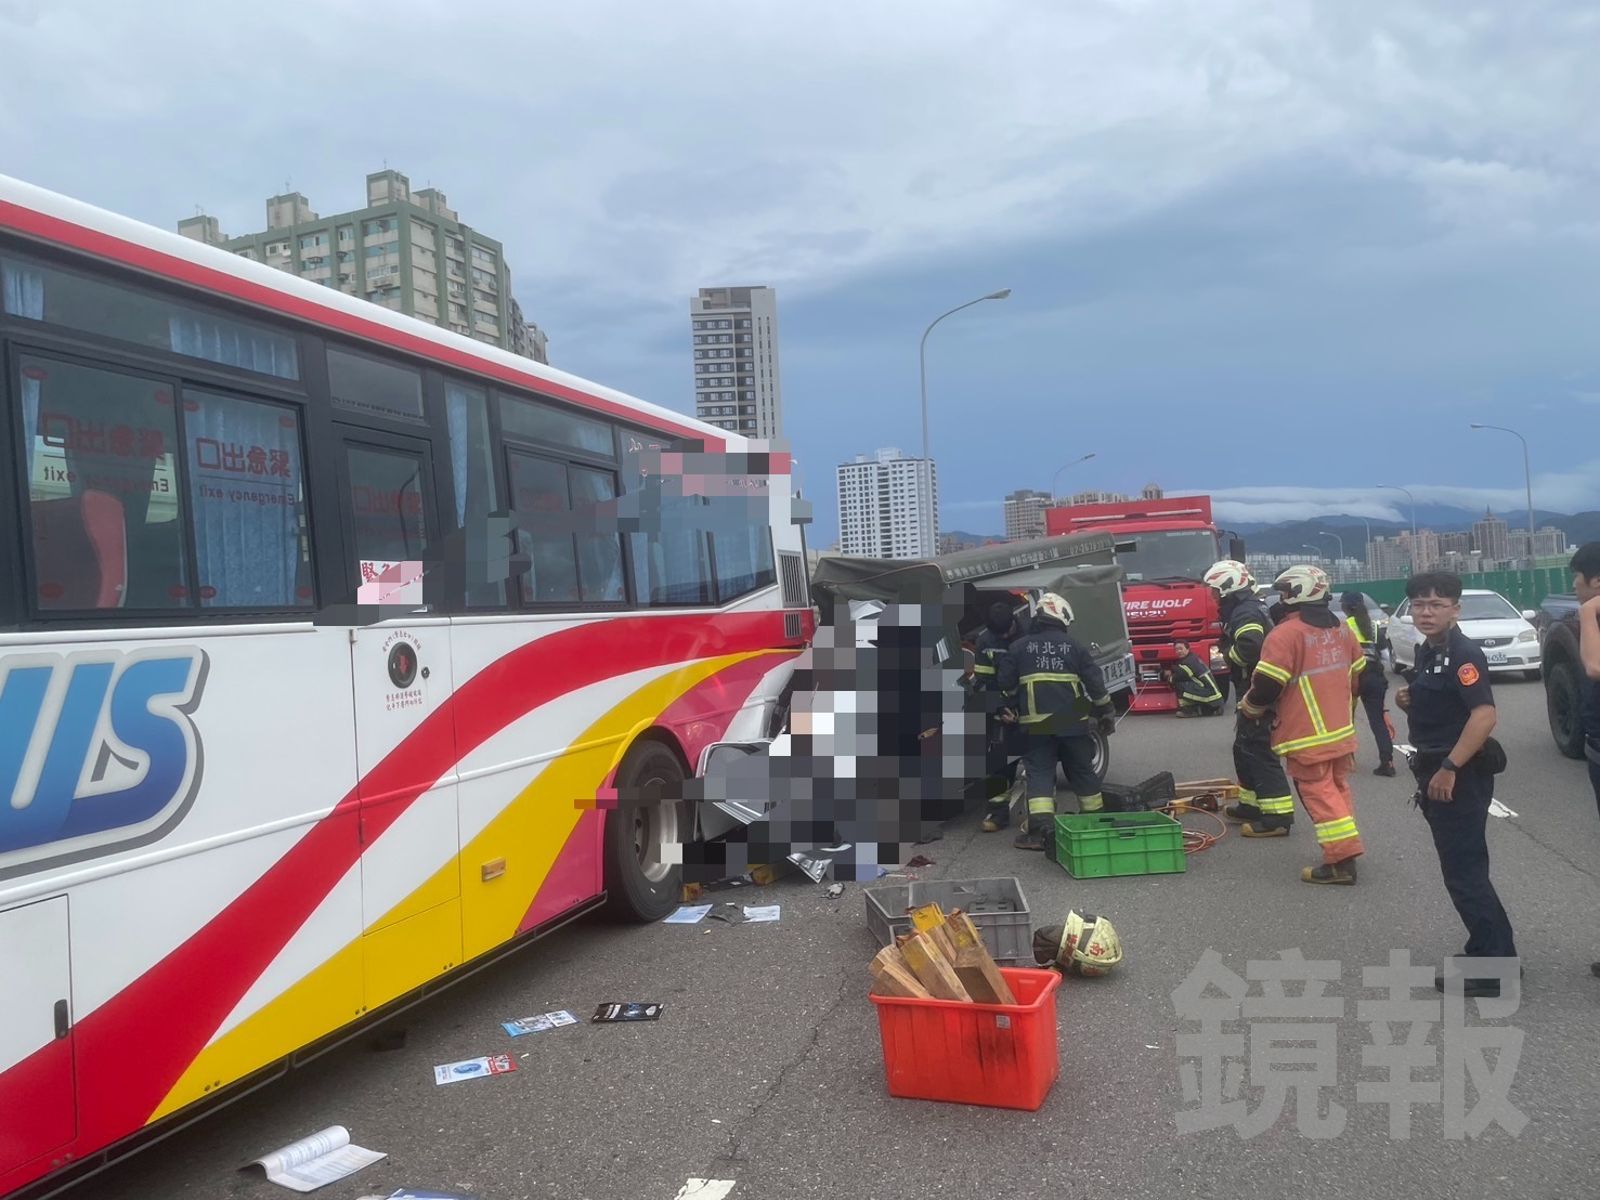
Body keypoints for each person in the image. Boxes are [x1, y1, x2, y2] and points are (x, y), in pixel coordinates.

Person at [1394, 571, 1516, 996]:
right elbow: (1443, 699)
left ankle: (1495, 968)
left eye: (1437, 604)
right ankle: (1488, 950)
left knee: (1465, 872)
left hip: (1457, 774)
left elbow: (1484, 714)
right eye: (1419, 604)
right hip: (1435, 767)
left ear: (1455, 609)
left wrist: (1449, 767)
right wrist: (1408, 697)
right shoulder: (1429, 650)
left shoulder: (1464, 653)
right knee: (1462, 869)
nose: (1426, 612)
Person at [1238, 564, 1367, 883]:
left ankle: (1341, 861)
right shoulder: (1340, 628)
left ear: (1298, 594)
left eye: (1284, 593)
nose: (1279, 599)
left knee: (1319, 793)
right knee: (1337, 790)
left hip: (1306, 734)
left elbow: (1268, 685)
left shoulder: (1286, 634)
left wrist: (1250, 708)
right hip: (1340, 730)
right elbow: (1357, 673)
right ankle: (1345, 848)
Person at [996, 591, 1116, 850]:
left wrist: (1012, 703)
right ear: (1062, 617)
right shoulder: (1074, 646)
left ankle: (1040, 833)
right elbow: (1095, 683)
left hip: (1037, 724)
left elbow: (1004, 684)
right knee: (1082, 770)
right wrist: (1106, 711)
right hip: (1073, 722)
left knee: (1040, 773)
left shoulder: (1018, 647)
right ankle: (1094, 824)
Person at [1205, 559, 1296, 837]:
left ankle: (1278, 817)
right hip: (1252, 687)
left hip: (1258, 689)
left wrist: (1226, 654)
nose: (1213, 596)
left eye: (1215, 591)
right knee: (1243, 747)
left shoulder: (1244, 613)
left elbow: (1250, 648)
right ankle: (1251, 804)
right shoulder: (1246, 608)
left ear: (1228, 589)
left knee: (1258, 749)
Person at [1566, 543, 1600, 980]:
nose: (1571, 586)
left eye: (1576, 578)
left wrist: (1588, 614)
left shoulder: (1591, 615)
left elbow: (1594, 666)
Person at [970, 600, 1022, 832]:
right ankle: (998, 813)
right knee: (1000, 760)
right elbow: (984, 681)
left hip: (1031, 705)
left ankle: (1040, 820)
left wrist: (1023, 707)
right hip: (1003, 711)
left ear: (1014, 622)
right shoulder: (985, 640)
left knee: (1040, 762)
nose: (1002, 637)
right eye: (997, 634)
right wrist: (1001, 709)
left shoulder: (1031, 633)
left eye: (1006, 633)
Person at [1341, 591, 1397, 776]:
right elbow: (1385, 656)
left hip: (1353, 678)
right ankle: (1387, 762)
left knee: (1346, 721)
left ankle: (1348, 761)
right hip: (1375, 678)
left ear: (1345, 607)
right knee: (1378, 721)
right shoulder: (1373, 627)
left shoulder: (1344, 627)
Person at [1166, 640, 1225, 716]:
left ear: (1187, 649)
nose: (1178, 651)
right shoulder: (1192, 658)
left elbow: (1182, 675)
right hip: (1214, 696)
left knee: (1179, 684)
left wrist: (1169, 677)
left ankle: (1189, 710)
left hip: (1210, 696)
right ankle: (1206, 709)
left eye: (1181, 649)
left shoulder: (1187, 662)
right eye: (1176, 650)